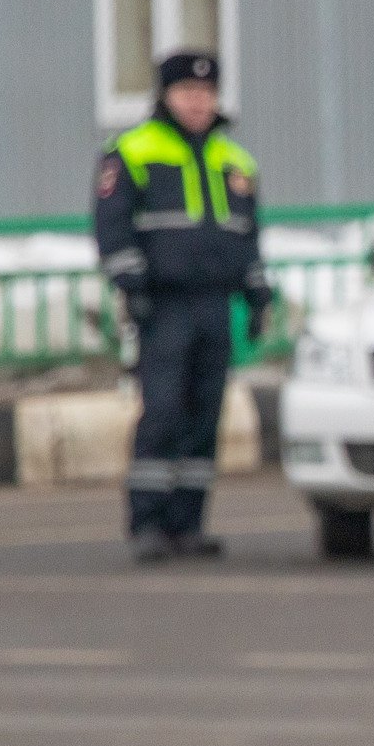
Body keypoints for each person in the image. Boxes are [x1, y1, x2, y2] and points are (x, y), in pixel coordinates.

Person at [94, 51, 271, 564]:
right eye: (187, 93)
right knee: (163, 412)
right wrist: (132, 285)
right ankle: (148, 522)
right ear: (165, 96)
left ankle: (189, 524)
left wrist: (257, 294)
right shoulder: (132, 151)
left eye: (207, 93)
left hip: (216, 305)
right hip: (164, 306)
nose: (198, 102)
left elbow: (248, 238)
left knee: (203, 417)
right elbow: (112, 226)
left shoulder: (236, 162)